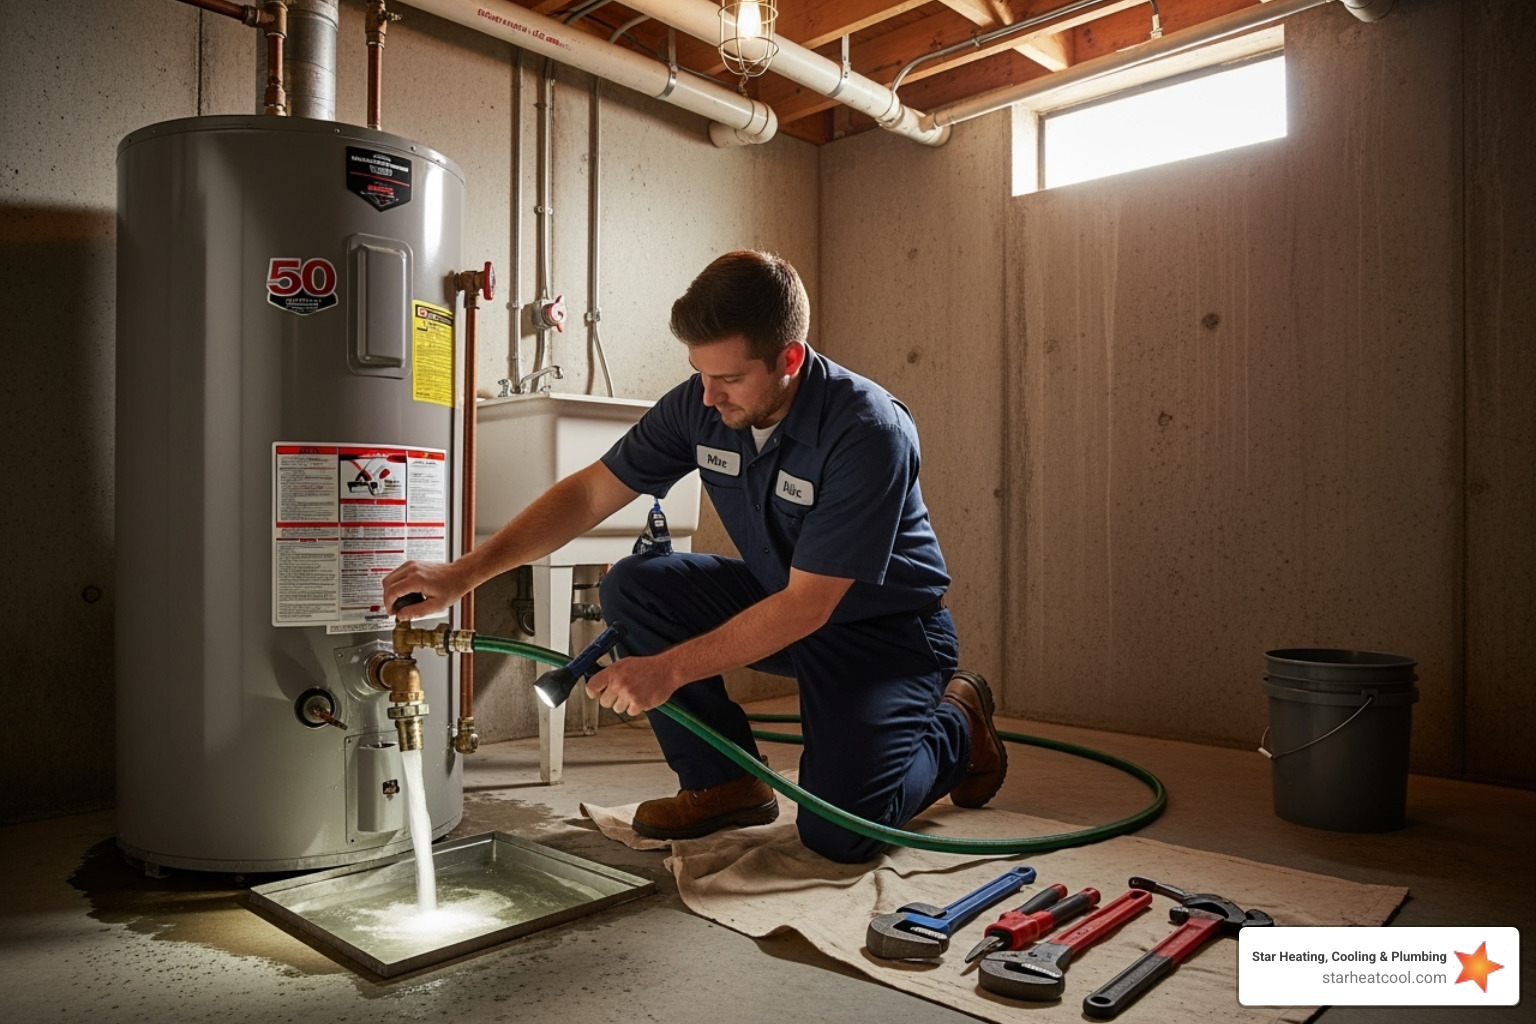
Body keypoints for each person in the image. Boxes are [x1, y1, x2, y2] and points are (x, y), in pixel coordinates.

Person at [382, 250, 1006, 863]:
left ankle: (961, 721)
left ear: (789, 358)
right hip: (782, 600)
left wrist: (668, 670)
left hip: (881, 636)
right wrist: (463, 573)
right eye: (700, 373)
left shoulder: (866, 431)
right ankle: (724, 785)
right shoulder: (699, 404)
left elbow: (812, 605)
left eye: (729, 378)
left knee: (840, 833)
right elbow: (590, 492)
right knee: (636, 584)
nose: (708, 397)